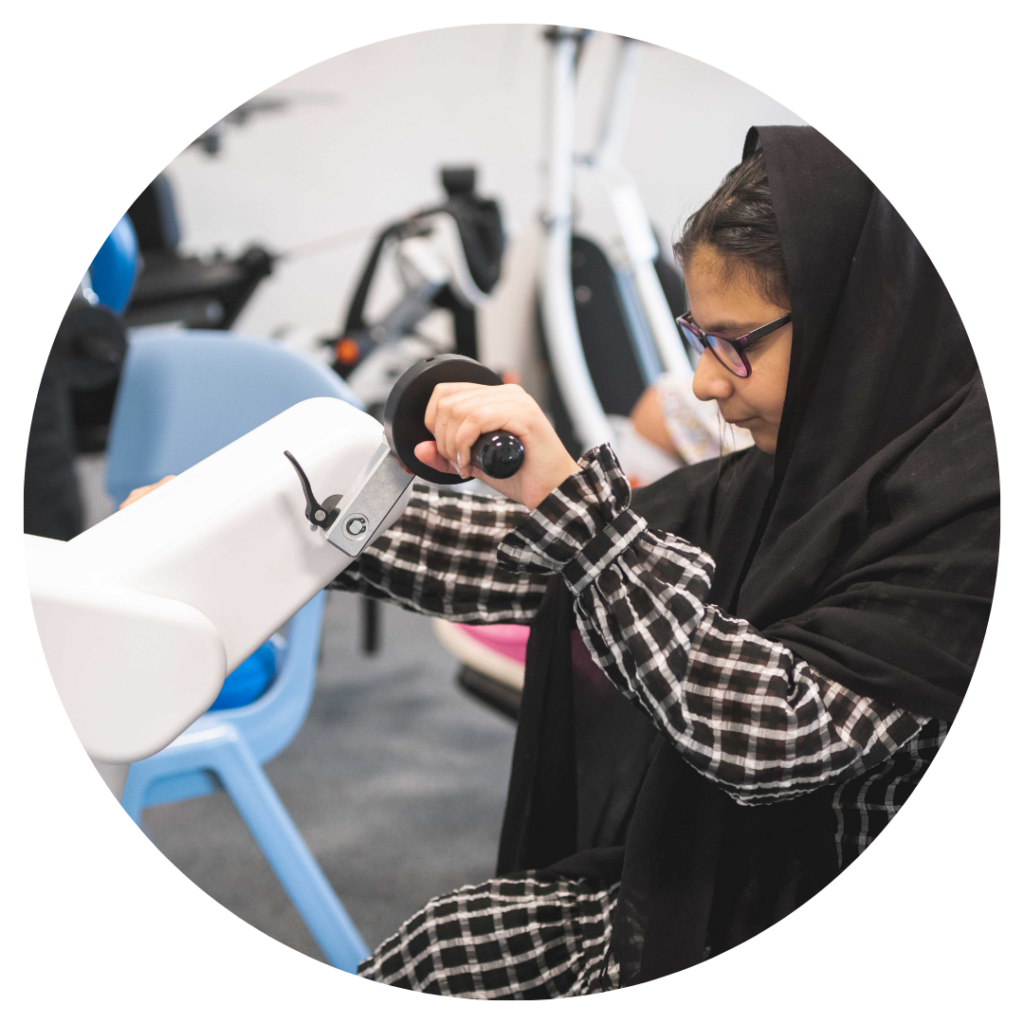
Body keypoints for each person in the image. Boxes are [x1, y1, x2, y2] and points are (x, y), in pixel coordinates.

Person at [122, 127, 996, 995]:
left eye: (737, 343)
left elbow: (768, 737)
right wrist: (268, 525)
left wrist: (564, 499)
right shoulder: (799, 471)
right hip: (720, 871)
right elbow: (532, 562)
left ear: (860, 321)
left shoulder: (969, 523)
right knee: (445, 945)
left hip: (782, 885)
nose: (701, 383)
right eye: (700, 336)